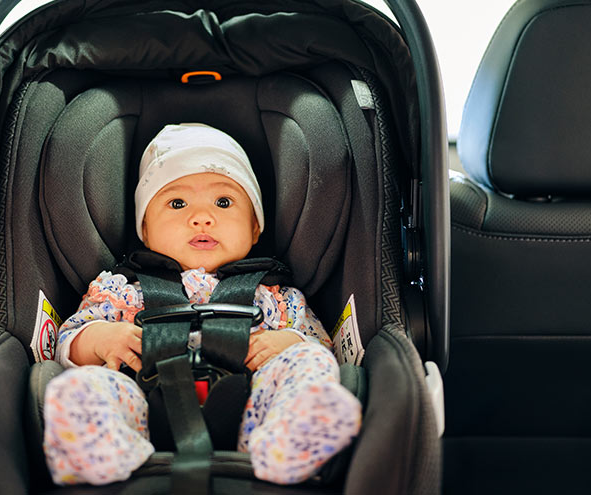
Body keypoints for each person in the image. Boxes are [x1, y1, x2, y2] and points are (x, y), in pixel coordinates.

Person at [43, 123, 362, 486]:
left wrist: (289, 343)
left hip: (254, 409)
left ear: (255, 228)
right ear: (145, 229)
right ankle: (100, 455)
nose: (201, 217)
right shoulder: (120, 290)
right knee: (81, 387)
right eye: (177, 203)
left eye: (223, 202)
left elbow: (321, 345)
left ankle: (289, 445)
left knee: (310, 362)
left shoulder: (276, 296)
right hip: (141, 405)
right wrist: (100, 338)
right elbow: (65, 341)